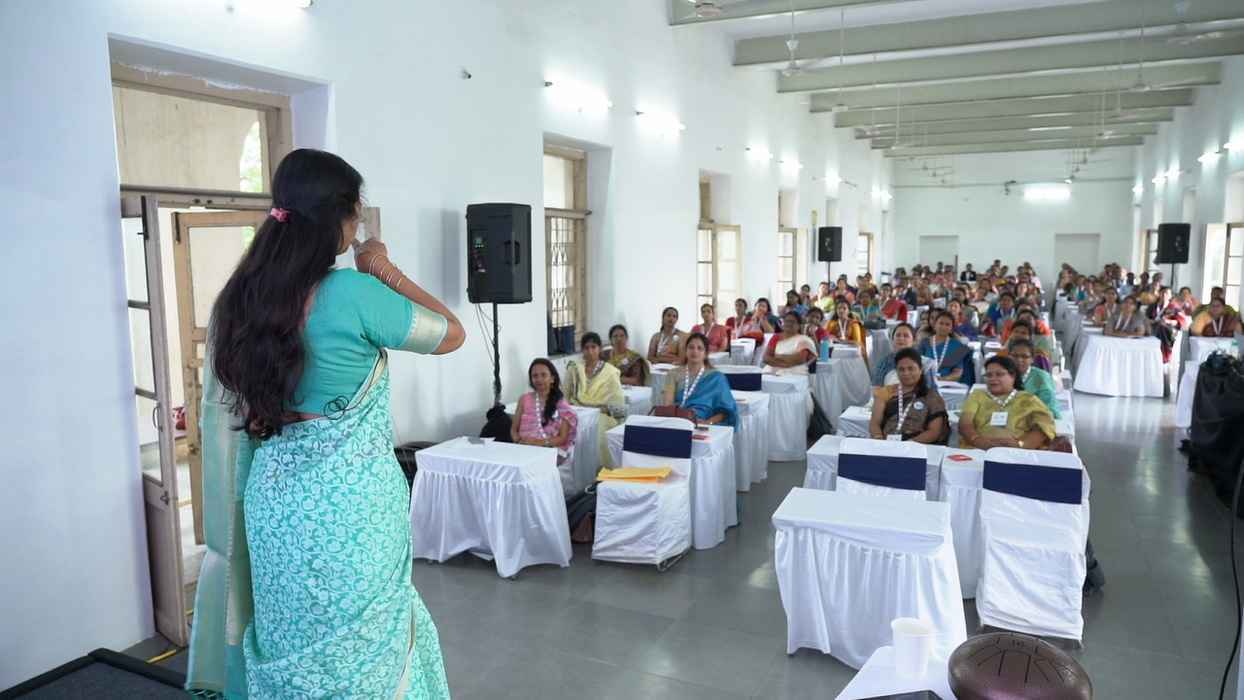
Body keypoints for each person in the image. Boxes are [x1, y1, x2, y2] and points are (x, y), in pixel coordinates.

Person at [190, 149, 459, 697]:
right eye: (356, 212)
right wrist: (381, 267)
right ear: (339, 217)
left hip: (274, 509)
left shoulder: (241, 299)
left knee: (289, 639)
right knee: (363, 661)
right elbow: (450, 332)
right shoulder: (353, 293)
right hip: (352, 516)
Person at [958, 355, 1056, 450]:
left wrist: (1021, 444)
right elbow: (965, 423)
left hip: (1018, 453)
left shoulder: (1028, 399)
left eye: (999, 374)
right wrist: (977, 440)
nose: (992, 378)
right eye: (989, 375)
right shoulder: (978, 395)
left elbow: (1045, 425)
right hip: (978, 449)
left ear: (1013, 376)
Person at [512, 359, 578, 495]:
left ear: (552, 378)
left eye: (543, 375)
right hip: (523, 449)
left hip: (550, 451)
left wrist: (537, 443)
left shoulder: (561, 404)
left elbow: (562, 438)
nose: (539, 379)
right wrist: (518, 442)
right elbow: (514, 429)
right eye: (535, 376)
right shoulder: (524, 399)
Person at [565, 331, 626, 467]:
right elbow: (565, 395)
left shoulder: (610, 372)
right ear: (582, 350)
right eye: (586, 348)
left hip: (602, 414)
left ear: (600, 349)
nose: (590, 351)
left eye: (593, 347)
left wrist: (595, 410)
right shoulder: (574, 369)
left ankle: (598, 471)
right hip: (576, 413)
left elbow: (619, 406)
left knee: (596, 433)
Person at [869, 348, 950, 444]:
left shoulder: (932, 396)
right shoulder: (885, 392)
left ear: (920, 370)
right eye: (901, 369)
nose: (906, 373)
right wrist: (879, 440)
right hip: (886, 444)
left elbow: (934, 431)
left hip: (918, 446)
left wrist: (908, 445)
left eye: (911, 369)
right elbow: (875, 423)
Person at [662, 333, 738, 427]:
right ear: (685, 351)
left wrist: (707, 423)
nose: (695, 351)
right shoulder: (673, 374)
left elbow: (726, 410)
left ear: (706, 354)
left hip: (705, 424)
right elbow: (668, 404)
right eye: (691, 347)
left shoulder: (717, 377)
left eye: (700, 348)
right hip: (678, 421)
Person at [1006, 338, 1060, 419]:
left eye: (1024, 356)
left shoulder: (1042, 378)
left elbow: (1050, 411)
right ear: (1008, 356)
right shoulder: (1003, 373)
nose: (1019, 360)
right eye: (1015, 356)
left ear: (1032, 359)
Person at [870, 322, 937, 387]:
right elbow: (876, 389)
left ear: (914, 341)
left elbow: (930, 390)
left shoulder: (926, 364)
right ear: (892, 340)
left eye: (906, 336)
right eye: (898, 335)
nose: (901, 338)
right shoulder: (883, 364)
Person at [919, 310, 974, 385]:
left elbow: (957, 373)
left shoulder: (958, 346)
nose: (943, 327)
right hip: (926, 383)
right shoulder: (924, 343)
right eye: (941, 323)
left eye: (947, 324)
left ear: (951, 329)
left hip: (948, 384)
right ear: (935, 325)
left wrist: (941, 380)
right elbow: (917, 365)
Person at [764, 310, 818, 375]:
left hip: (796, 372)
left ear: (799, 325)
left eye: (792, 322)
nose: (789, 324)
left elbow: (800, 360)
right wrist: (783, 362)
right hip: (772, 370)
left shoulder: (804, 340)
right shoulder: (776, 337)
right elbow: (766, 358)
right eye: (786, 321)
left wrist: (778, 357)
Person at [826, 295, 869, 364]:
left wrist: (839, 341)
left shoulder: (854, 324)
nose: (841, 310)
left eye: (844, 308)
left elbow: (857, 342)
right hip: (837, 352)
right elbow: (826, 338)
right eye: (839, 308)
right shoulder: (831, 324)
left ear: (849, 311)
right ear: (836, 311)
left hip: (852, 354)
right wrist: (830, 338)